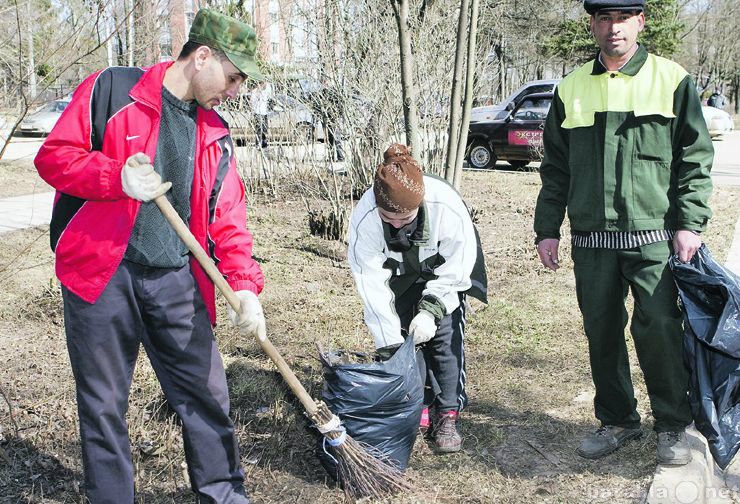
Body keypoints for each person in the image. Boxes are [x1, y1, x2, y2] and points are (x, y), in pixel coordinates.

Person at [35, 9, 267, 503]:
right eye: (232, 77)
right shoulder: (113, 91)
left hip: (176, 281)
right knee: (103, 408)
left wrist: (245, 287)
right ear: (202, 56)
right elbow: (54, 156)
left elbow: (228, 219)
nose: (235, 91)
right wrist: (114, 177)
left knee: (206, 398)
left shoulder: (213, 133)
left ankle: (224, 496)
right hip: (102, 277)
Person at [534, 0, 713, 466]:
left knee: (659, 329)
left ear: (640, 22)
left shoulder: (671, 80)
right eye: (604, 19)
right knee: (602, 332)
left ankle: (672, 425)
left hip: (653, 236)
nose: (614, 28)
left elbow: (694, 158)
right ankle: (617, 420)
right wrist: (547, 229)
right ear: (593, 24)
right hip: (592, 240)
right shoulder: (571, 87)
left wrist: (690, 223)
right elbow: (555, 168)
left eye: (623, 18)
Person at [348, 143, 488, 453]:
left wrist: (432, 309)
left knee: (444, 340)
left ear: (420, 203)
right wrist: (388, 343)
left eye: (405, 218)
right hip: (398, 274)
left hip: (445, 271)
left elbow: (458, 265)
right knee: (405, 342)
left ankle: (448, 412)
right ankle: (418, 406)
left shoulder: (446, 205)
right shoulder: (366, 215)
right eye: (389, 219)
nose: (396, 225)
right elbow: (369, 280)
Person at [312, 76, 345, 162]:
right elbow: (316, 107)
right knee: (329, 139)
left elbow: (340, 105)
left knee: (337, 138)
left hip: (333, 119)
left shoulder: (334, 93)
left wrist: (338, 116)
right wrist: (318, 116)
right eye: (323, 82)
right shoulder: (320, 94)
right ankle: (331, 156)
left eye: (326, 82)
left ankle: (340, 157)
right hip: (325, 119)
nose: (325, 84)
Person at [250, 80, 272, 149]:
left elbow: (269, 90)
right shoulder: (255, 92)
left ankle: (264, 143)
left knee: (264, 129)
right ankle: (258, 144)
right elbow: (252, 102)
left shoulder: (265, 92)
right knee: (259, 129)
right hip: (257, 112)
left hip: (264, 113)